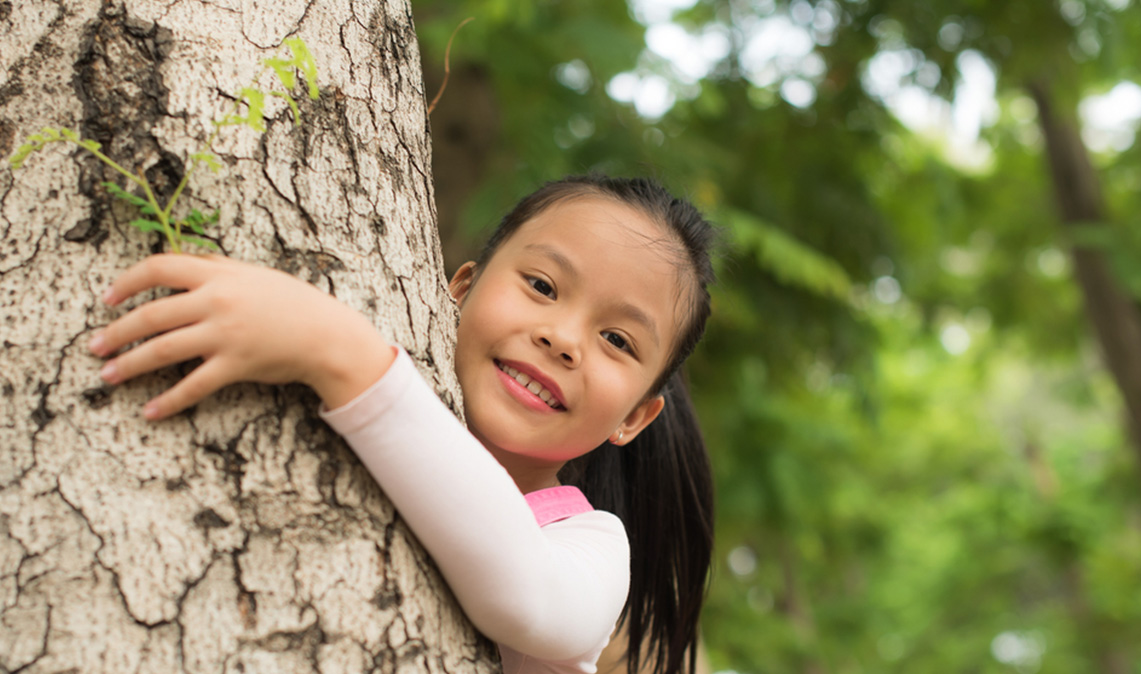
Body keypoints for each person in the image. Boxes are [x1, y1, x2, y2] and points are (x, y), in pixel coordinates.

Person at [87, 175, 717, 674]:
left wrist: (338, 353)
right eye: (543, 285)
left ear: (634, 417)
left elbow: (525, 595)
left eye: (616, 339)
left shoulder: (592, 546)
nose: (562, 338)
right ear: (459, 287)